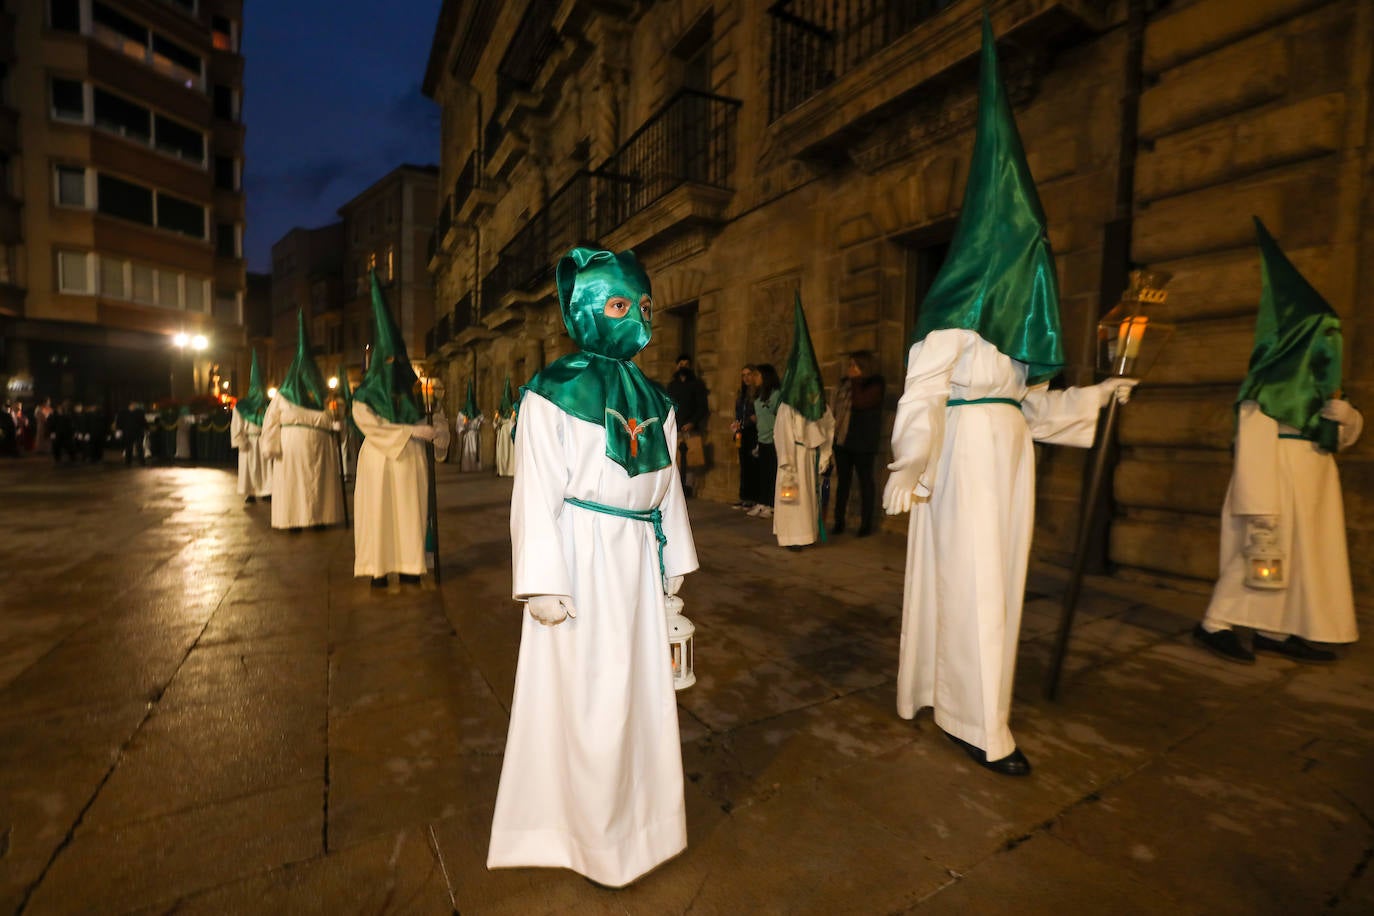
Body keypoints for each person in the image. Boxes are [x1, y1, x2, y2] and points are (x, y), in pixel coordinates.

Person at [882, 17, 1137, 778]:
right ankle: (976, 723)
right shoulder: (951, 327)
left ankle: (955, 694)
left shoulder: (1013, 342)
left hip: (1006, 464)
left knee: (993, 584)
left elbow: (1029, 409)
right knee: (976, 584)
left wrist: (1096, 396)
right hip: (962, 466)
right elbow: (921, 399)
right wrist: (909, 462)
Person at [489, 247, 698, 888]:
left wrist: (673, 561)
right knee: (586, 701)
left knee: (637, 697)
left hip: (635, 559)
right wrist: (543, 581)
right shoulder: (551, 393)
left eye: (644, 306)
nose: (636, 319)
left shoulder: (657, 400)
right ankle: (580, 833)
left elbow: (669, 489)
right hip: (578, 561)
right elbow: (536, 493)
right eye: (619, 305)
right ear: (584, 310)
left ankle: (643, 828)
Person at [1193, 219, 1363, 665]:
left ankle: (1276, 627)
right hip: (1278, 480)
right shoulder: (1264, 392)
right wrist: (1261, 506)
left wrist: (1345, 416)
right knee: (1261, 554)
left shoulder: (1319, 392)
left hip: (1315, 479)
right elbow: (1253, 450)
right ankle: (1215, 622)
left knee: (1304, 560)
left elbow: (1337, 440)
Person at [352, 272, 449, 588]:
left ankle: (410, 565)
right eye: (388, 359)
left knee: (410, 511)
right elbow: (370, 426)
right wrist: (410, 432)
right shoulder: (364, 396)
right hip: (381, 457)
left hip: (410, 460)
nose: (394, 365)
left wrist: (434, 430)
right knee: (380, 514)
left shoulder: (414, 390)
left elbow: (433, 419)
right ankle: (378, 568)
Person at [261, 311, 345, 531]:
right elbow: (271, 422)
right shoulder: (287, 395)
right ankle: (296, 520)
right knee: (300, 483)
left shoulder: (314, 396)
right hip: (296, 447)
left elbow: (270, 421)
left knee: (315, 482)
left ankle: (316, 518)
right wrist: (271, 447)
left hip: (309, 445)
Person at [772, 295, 835, 550]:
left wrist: (824, 454)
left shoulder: (818, 403)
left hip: (808, 456)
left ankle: (806, 536)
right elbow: (781, 432)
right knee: (792, 500)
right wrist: (787, 461)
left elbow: (828, 426)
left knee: (808, 499)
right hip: (793, 459)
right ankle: (791, 538)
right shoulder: (787, 406)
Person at [831, 351, 885, 536]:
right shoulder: (844, 384)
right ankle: (839, 521)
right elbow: (835, 410)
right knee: (843, 483)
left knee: (865, 483)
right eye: (850, 365)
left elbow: (861, 402)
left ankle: (866, 524)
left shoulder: (876, 383)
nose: (850, 369)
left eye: (855, 365)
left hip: (863, 442)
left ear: (864, 366)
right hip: (843, 441)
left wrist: (854, 381)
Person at [230, 351, 272, 501]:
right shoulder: (242, 406)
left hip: (264, 439)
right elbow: (237, 424)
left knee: (266, 469)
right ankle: (250, 492)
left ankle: (267, 491)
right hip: (249, 441)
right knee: (249, 468)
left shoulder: (268, 405)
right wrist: (240, 440)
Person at [666, 353, 709, 496]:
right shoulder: (672, 385)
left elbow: (702, 407)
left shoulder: (696, 384)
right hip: (675, 428)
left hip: (691, 428)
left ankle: (688, 488)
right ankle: (677, 489)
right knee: (675, 459)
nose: (683, 367)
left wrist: (692, 422)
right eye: (681, 364)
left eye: (686, 365)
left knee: (691, 461)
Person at [747, 364, 782, 519]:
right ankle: (762, 502)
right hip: (761, 438)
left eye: (757, 375)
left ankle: (771, 504)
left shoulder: (776, 395)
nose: (754, 379)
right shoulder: (759, 396)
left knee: (772, 472)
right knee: (762, 473)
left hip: (774, 440)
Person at [730, 364, 759, 509]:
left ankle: (752, 498)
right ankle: (744, 496)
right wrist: (736, 424)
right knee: (743, 464)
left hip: (753, 432)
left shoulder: (757, 394)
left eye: (749, 374)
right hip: (741, 432)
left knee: (752, 466)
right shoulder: (741, 394)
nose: (746, 378)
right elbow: (739, 412)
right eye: (743, 375)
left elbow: (755, 417)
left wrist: (746, 422)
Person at [456, 379, 484, 472]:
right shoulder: (462, 414)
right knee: (468, 451)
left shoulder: (478, 413)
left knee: (475, 451)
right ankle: (467, 467)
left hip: (475, 434)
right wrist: (464, 423)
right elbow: (460, 427)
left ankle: (475, 467)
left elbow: (483, 421)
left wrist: (479, 424)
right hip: (468, 435)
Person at [493, 375, 516, 478]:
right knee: (503, 451)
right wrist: (496, 418)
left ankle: (510, 470)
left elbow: (513, 422)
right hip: (502, 432)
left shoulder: (513, 410)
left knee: (510, 451)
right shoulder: (500, 411)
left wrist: (512, 417)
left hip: (508, 431)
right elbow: (495, 425)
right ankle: (502, 470)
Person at [115, 401, 148, 466]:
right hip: (128, 432)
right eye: (133, 405)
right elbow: (119, 421)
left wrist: (147, 428)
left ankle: (142, 461)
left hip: (138, 432)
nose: (134, 407)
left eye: (135, 406)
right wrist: (119, 430)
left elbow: (143, 421)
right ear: (130, 406)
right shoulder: (123, 413)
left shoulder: (139, 412)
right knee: (128, 448)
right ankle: (128, 462)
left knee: (139, 448)